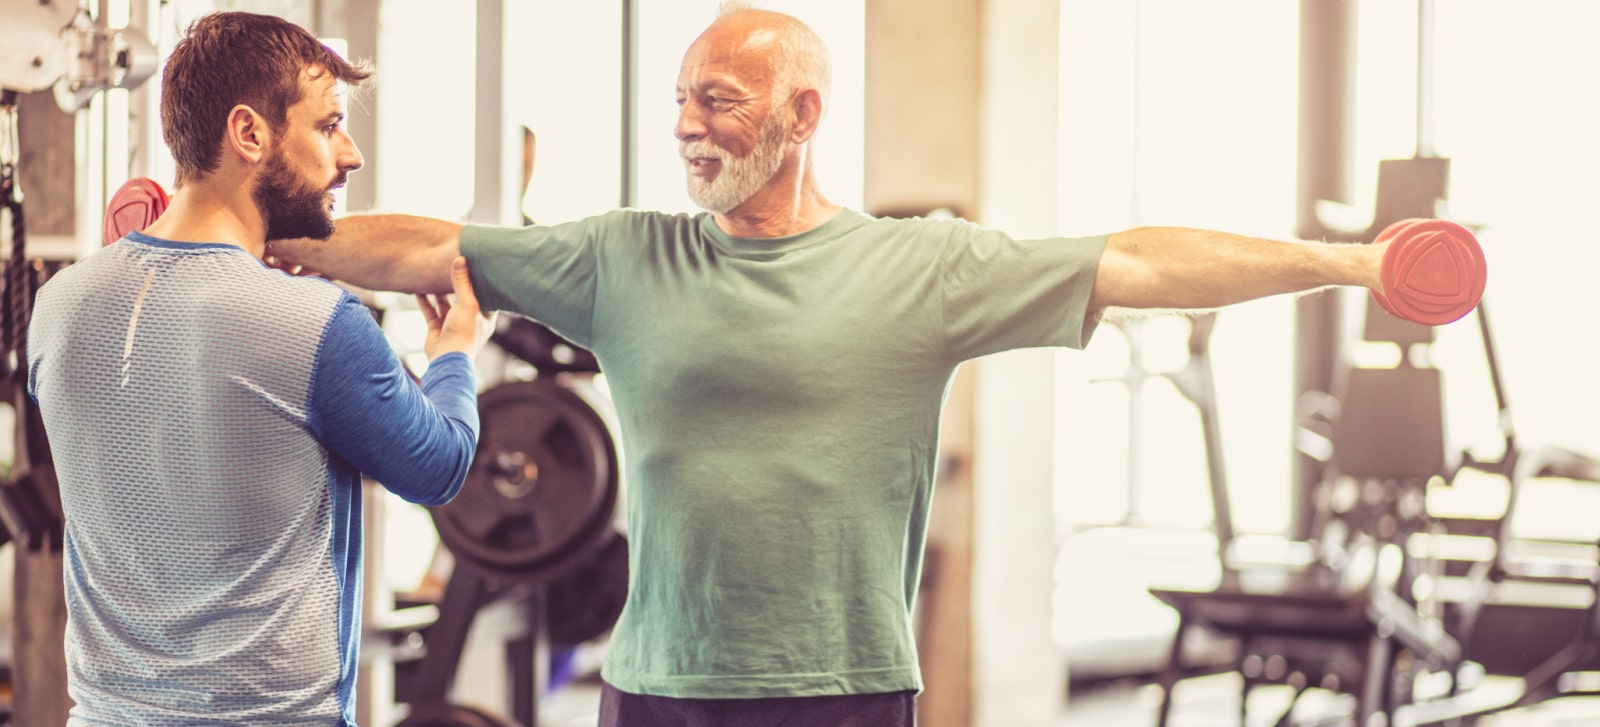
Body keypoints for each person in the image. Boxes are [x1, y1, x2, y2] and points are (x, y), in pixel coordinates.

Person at [268, 4, 1396, 725]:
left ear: (801, 112)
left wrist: (1354, 264)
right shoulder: (622, 258)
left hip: (841, 690)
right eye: (678, 101)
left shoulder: (926, 268)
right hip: (654, 686)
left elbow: (1140, 261)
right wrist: (241, 231)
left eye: (718, 97)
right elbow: (421, 244)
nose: (686, 125)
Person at [26, 11, 487, 727]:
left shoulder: (57, 305)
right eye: (329, 125)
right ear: (249, 133)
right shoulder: (317, 323)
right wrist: (455, 350)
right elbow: (441, 466)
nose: (351, 153)